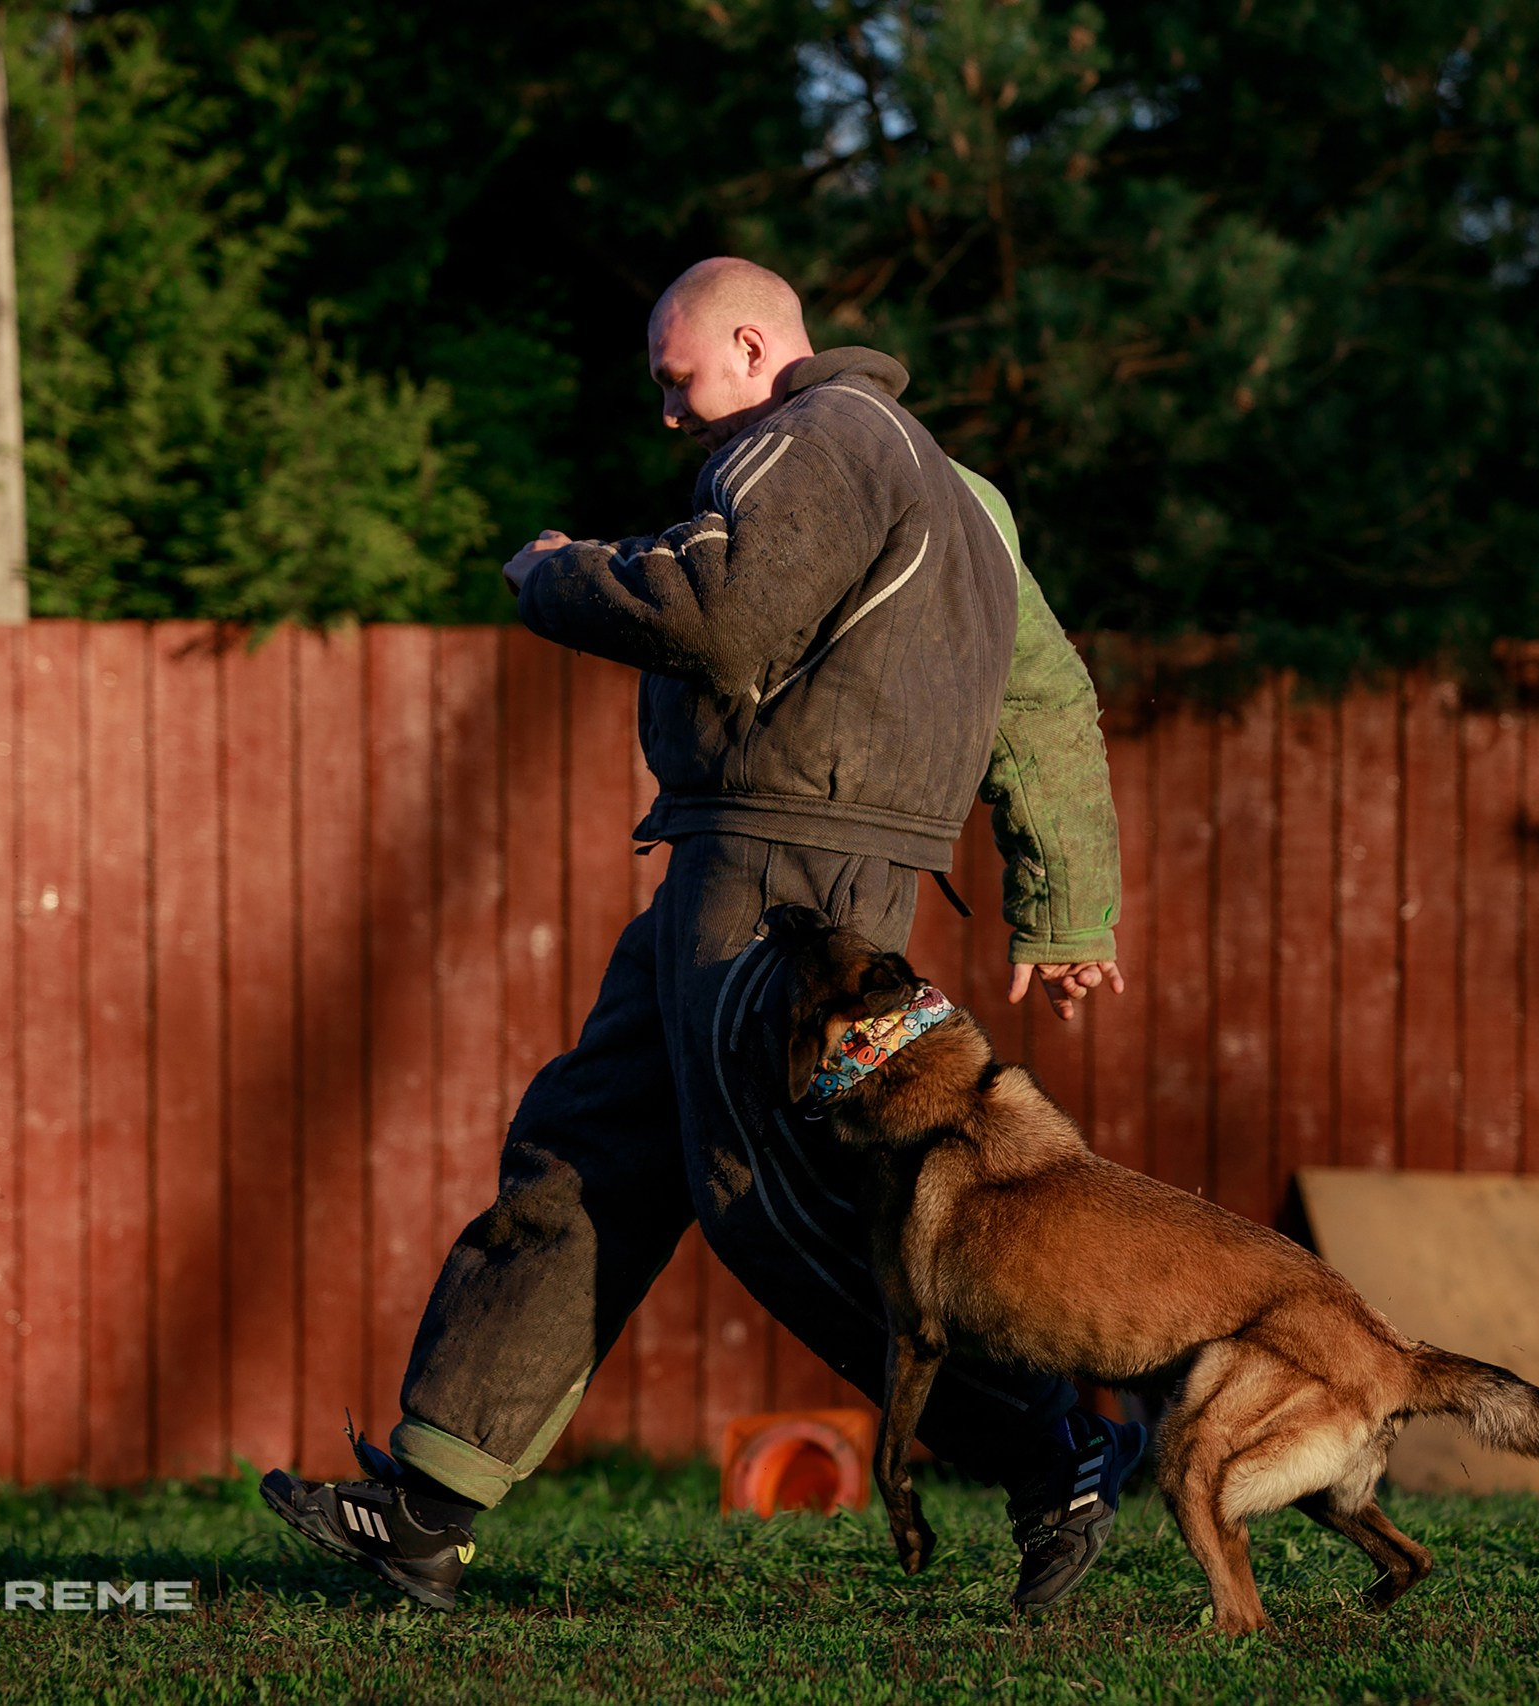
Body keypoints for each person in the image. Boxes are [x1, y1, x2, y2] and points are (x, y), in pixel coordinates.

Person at [261, 258, 1132, 1613]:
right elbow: (1048, 697)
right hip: (729, 858)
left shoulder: (822, 438)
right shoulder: (938, 486)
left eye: (677, 381)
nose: (669, 416)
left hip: (797, 884)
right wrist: (1067, 901)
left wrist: (556, 574)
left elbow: (723, 619)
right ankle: (426, 1504)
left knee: (768, 1201)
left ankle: (1055, 1445)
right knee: (590, 1144)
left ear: (748, 341)